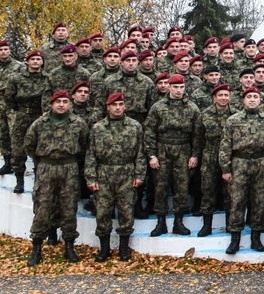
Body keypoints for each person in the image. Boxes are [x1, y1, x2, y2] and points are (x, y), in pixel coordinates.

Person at [24, 91, 90, 266]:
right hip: (46, 168)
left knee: (69, 208)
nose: (61, 104)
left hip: (69, 168)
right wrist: (43, 162)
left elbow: (84, 147)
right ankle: (37, 247)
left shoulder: (78, 123)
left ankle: (69, 246)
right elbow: (29, 145)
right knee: (42, 207)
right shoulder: (39, 124)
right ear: (52, 104)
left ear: (70, 104)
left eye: (65, 102)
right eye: (58, 101)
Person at [219, 87, 264, 254]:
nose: (252, 99)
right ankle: (235, 239)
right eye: (249, 97)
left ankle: (256, 237)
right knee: (237, 201)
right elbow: (225, 146)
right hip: (239, 163)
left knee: (260, 202)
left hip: (262, 162)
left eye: (255, 97)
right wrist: (225, 168)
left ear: (260, 100)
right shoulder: (233, 120)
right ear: (243, 100)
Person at [86, 92, 145, 262]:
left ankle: (124, 248)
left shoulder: (134, 126)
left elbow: (141, 153)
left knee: (126, 211)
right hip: (104, 172)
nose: (118, 108)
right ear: (108, 107)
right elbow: (90, 155)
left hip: (126, 172)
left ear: (125, 106)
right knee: (103, 211)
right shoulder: (98, 128)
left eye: (121, 105)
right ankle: (104, 248)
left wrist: (139, 174)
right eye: (114, 105)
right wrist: (90, 178)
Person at [143, 74, 201, 237]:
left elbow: (197, 135)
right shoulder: (158, 107)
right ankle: (161, 221)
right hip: (162, 148)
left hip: (183, 149)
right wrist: (151, 155)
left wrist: (194, 155)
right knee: (160, 185)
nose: (178, 90)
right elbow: (149, 131)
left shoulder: (192, 108)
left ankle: (178, 221)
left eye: (181, 87)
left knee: (182, 186)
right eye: (175, 87)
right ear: (168, 87)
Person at [4, 50, 51, 192]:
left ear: (42, 61)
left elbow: (51, 96)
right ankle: (19, 181)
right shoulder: (16, 79)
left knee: (40, 148)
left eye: (38, 59)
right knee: (18, 148)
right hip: (22, 115)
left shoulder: (48, 78)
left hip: (40, 116)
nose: (35, 61)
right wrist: (20, 109)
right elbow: (9, 97)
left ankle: (39, 180)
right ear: (28, 62)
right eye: (33, 59)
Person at [195, 84, 234, 237]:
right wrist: (196, 155)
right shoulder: (204, 115)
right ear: (214, 97)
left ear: (230, 97)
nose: (223, 98)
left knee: (229, 192)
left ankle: (230, 223)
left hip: (229, 158)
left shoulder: (235, 115)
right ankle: (207, 225)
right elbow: (198, 138)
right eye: (220, 95)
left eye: (226, 95)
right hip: (210, 156)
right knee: (208, 191)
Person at [0, 40, 24, 175]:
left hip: (14, 102)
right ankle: (7, 161)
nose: (4, 52)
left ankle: (17, 161)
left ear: (10, 51)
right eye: (1, 50)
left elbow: (24, 84)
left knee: (15, 131)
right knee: (1, 133)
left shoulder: (19, 67)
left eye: (6, 49)